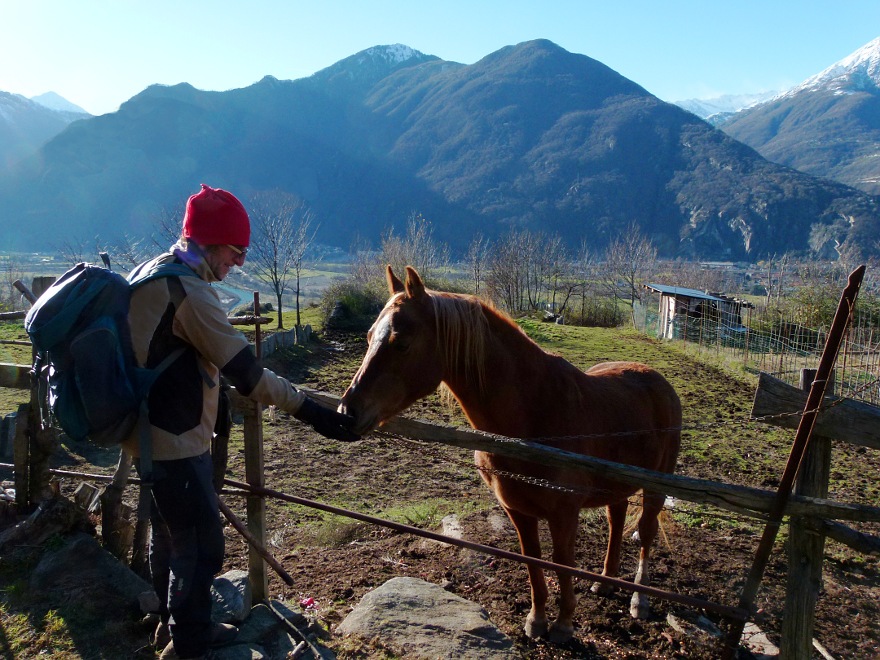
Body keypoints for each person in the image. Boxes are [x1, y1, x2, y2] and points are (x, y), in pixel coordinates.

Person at [123, 183, 359, 660]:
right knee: (201, 546)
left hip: (147, 434)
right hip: (175, 440)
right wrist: (312, 411)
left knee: (170, 535)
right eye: (235, 252)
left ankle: (173, 626)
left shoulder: (153, 271)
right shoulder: (189, 293)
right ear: (210, 242)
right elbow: (247, 374)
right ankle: (190, 644)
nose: (239, 263)